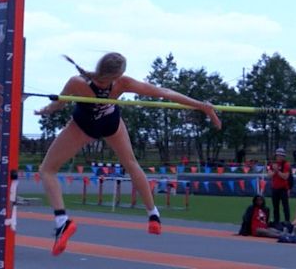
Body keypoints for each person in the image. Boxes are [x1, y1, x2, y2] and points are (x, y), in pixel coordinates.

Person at [36, 52, 222, 256]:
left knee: (48, 170)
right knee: (131, 163)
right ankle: (153, 215)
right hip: (110, 121)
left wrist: (46, 109)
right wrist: (202, 106)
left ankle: (62, 221)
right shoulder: (121, 83)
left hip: (85, 125)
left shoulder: (77, 83)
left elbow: (59, 104)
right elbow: (165, 92)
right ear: (119, 73)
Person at [266, 148, 291, 225]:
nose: (279, 157)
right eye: (278, 155)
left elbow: (286, 177)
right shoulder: (272, 164)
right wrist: (274, 171)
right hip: (275, 188)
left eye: (281, 156)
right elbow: (269, 176)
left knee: (285, 206)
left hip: (283, 188)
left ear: (283, 156)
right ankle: (276, 221)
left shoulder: (286, 164)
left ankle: (287, 221)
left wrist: (277, 171)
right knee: (275, 206)